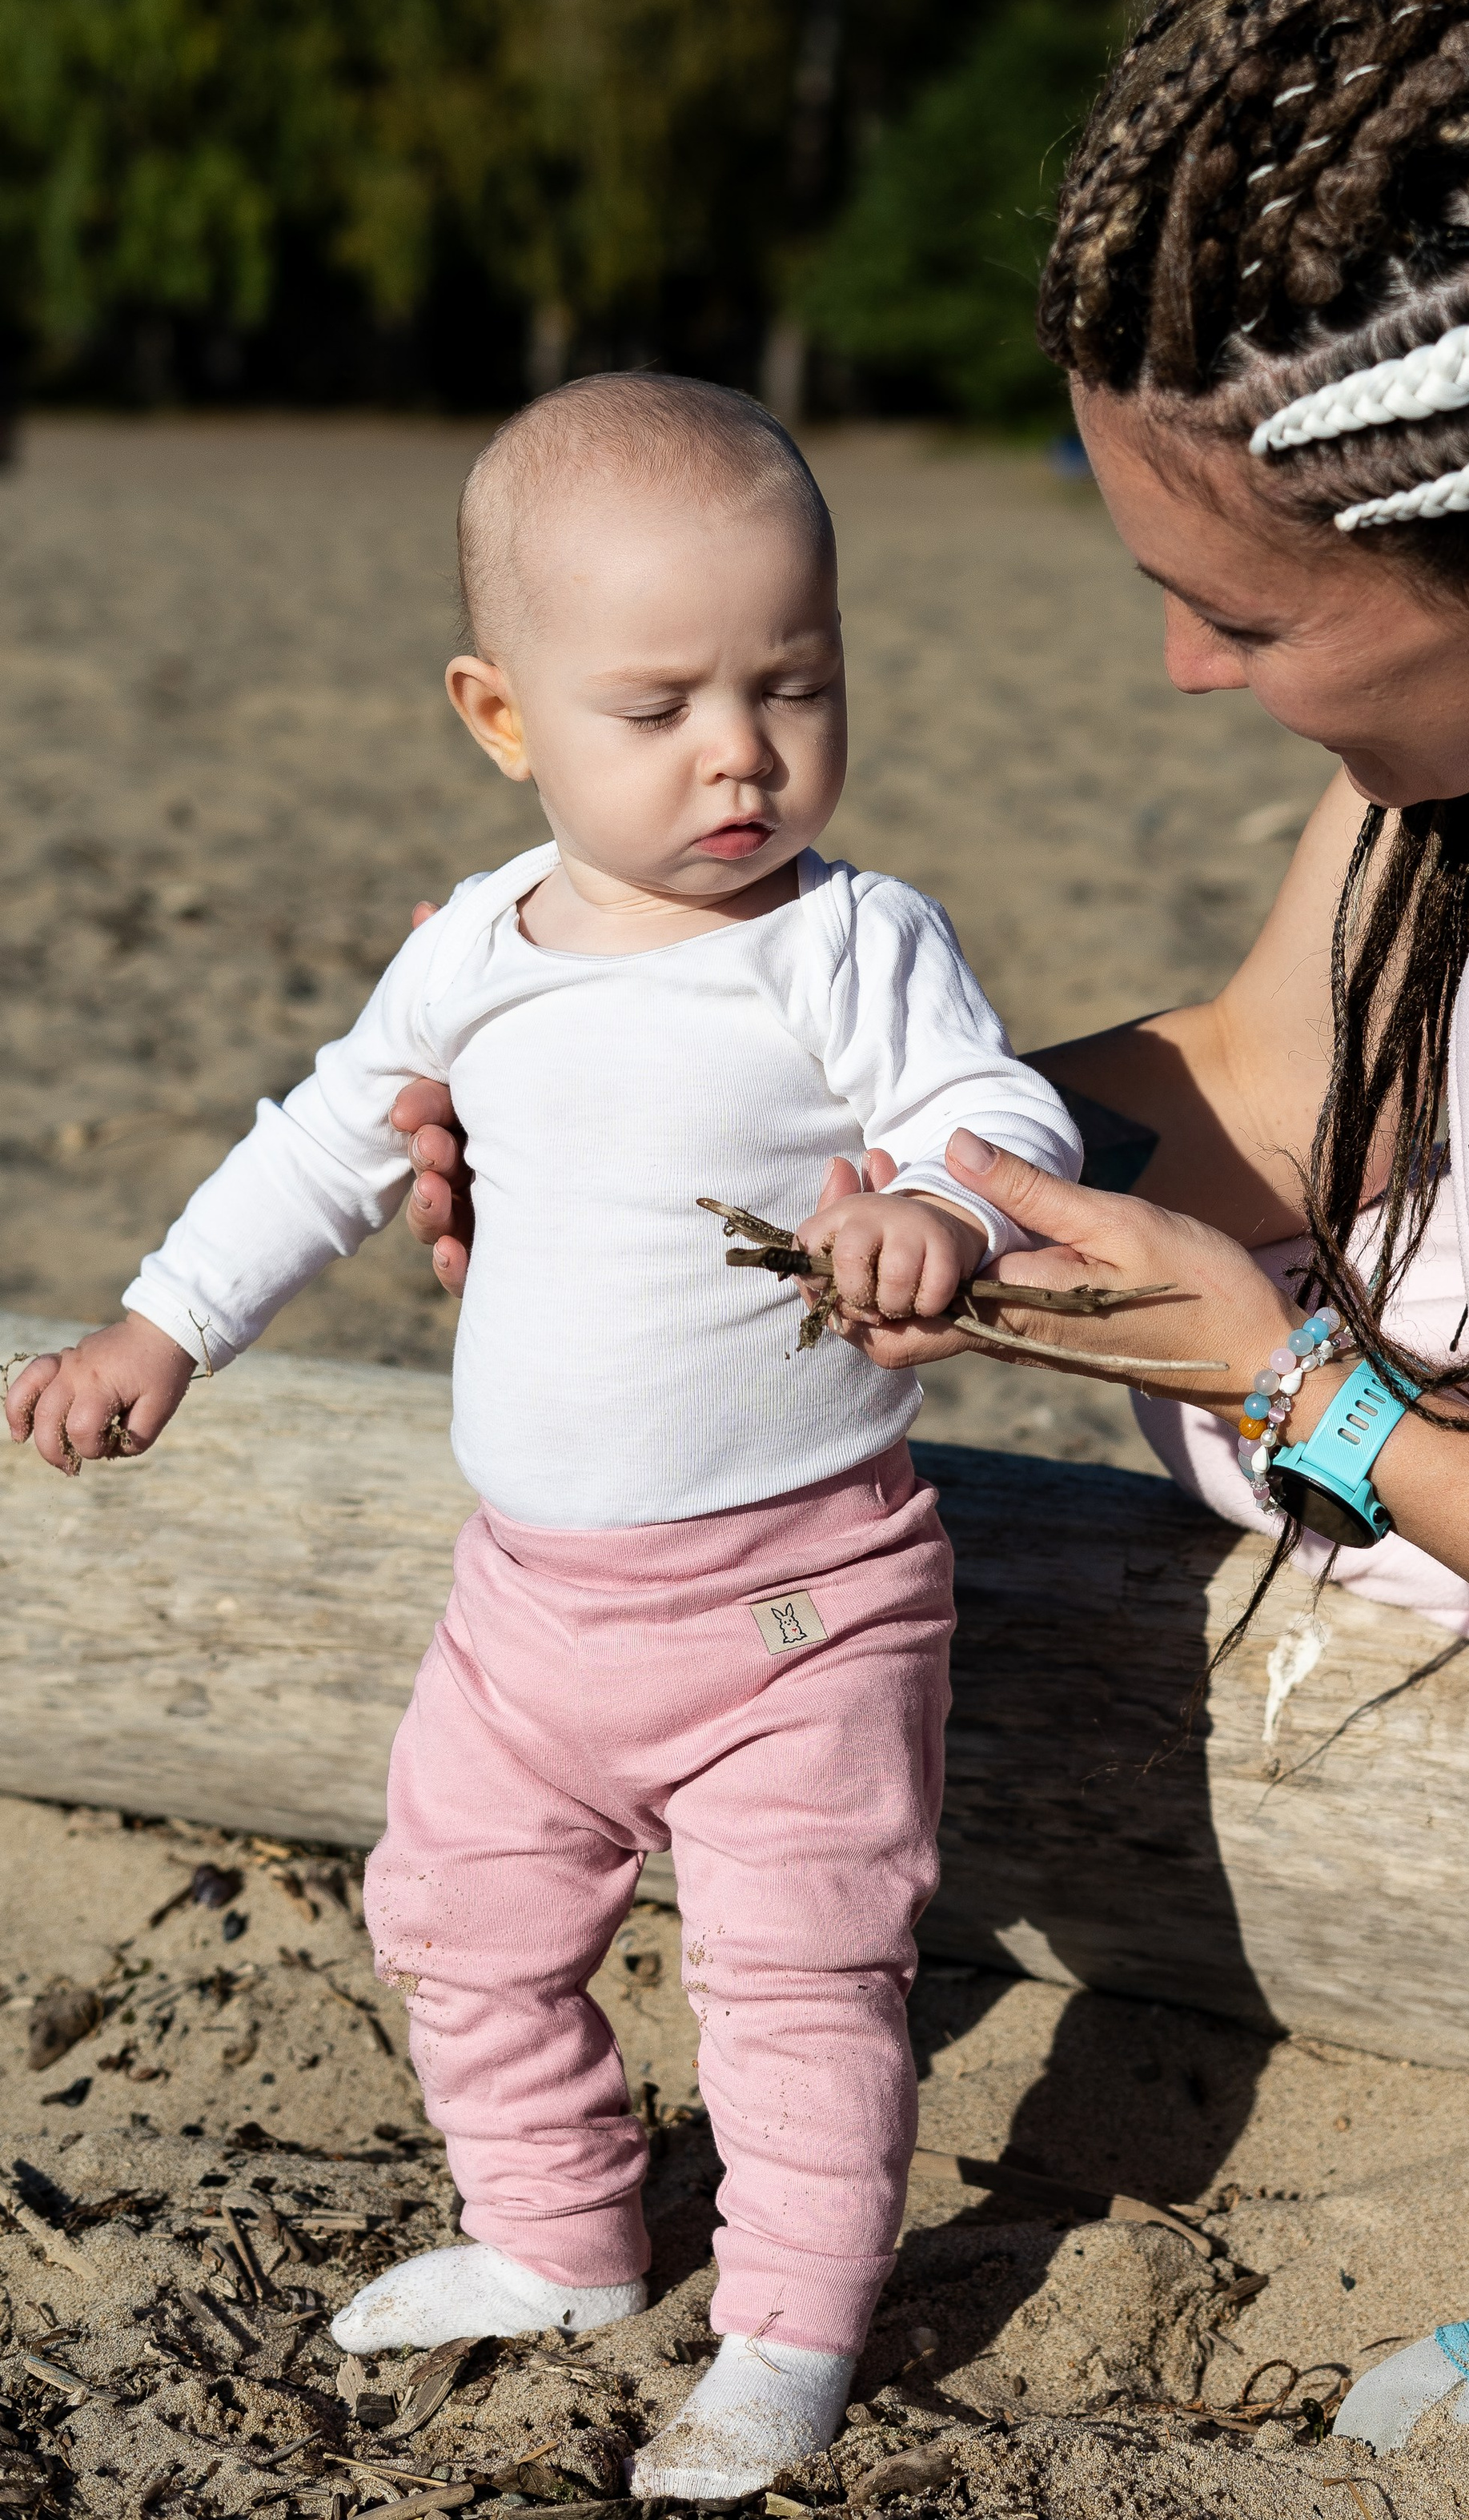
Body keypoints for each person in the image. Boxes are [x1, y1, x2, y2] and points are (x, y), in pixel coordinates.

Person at [410, 0, 1469, 2470]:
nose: (1186, 673)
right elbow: (1276, 1086)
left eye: (1249, 624)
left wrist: (1318, 1398)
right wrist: (721, 1154)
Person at [3, 373, 1081, 2506]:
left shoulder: (845, 943)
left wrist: (931, 1202)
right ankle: (562, 2239)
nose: (741, 753)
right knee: (455, 1925)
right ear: (502, 718)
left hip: (799, 1610)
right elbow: (320, 1141)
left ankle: (784, 2335)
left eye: (795, 683)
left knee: (799, 1989)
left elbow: (1000, 1110)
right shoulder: (476, 952)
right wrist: (165, 1324)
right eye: (658, 702)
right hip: (525, 1611)